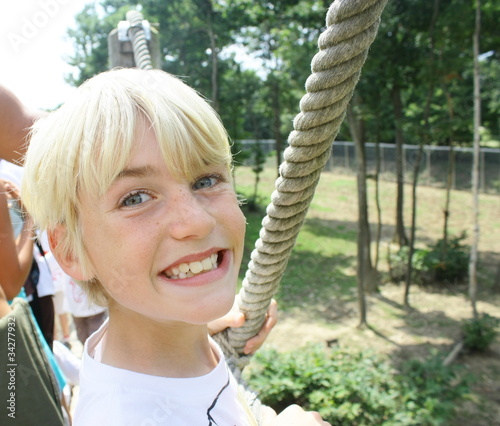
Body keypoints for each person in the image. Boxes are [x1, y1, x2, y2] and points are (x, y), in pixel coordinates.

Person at [21, 68, 330, 425]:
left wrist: (186, 332)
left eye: (206, 179)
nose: (196, 221)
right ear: (72, 251)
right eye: (135, 198)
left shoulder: (155, 346)